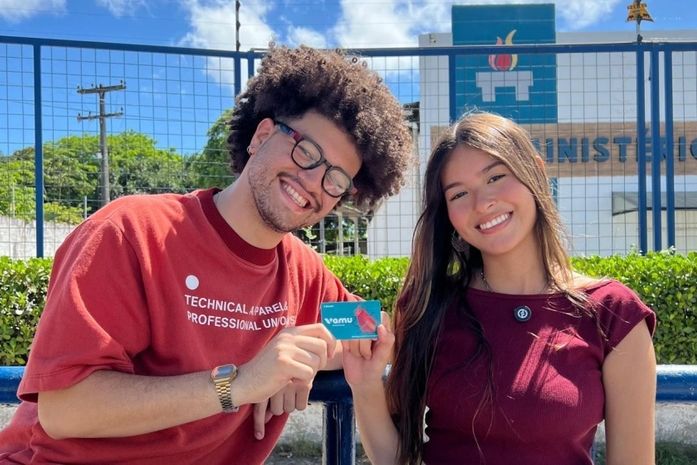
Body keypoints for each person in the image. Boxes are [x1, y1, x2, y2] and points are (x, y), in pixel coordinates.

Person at [0, 45, 413, 465]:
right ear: (262, 136)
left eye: (336, 179)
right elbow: (64, 410)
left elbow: (372, 326)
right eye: (306, 151)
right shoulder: (132, 232)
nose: (313, 182)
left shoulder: (303, 272)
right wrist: (242, 383)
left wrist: (305, 356)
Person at [343, 111, 656, 465]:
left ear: (535, 171)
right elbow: (399, 458)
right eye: (459, 194)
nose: (482, 204)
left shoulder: (614, 313)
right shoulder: (427, 305)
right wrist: (365, 385)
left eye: (495, 177)